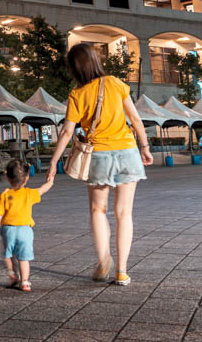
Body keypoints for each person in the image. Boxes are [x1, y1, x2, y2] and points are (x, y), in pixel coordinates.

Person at [46, 43, 154, 285]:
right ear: (95, 60)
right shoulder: (116, 83)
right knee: (124, 213)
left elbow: (66, 132)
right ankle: (122, 271)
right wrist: (145, 148)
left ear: (74, 68)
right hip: (127, 152)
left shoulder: (77, 94)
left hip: (99, 155)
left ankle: (104, 260)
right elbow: (135, 120)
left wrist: (54, 162)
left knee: (98, 210)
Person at [0, 158, 53, 292]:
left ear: (8, 177)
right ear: (27, 178)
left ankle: (13, 275)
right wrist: (51, 180)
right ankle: (25, 282)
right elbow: (43, 189)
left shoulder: (5, 195)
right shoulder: (29, 194)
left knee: (8, 254)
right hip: (25, 230)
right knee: (23, 258)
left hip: (8, 229)